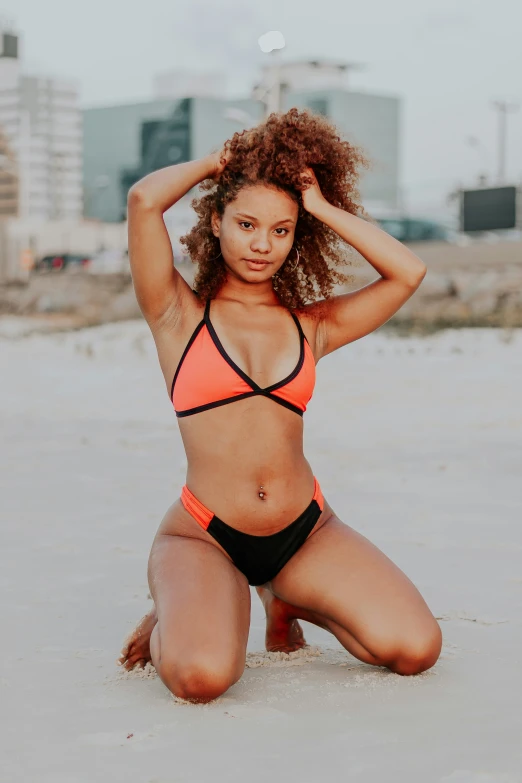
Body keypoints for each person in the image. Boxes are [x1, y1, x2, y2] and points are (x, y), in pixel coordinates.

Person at [118, 108, 442, 702]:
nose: (262, 244)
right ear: (215, 222)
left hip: (306, 530)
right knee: (202, 679)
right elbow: (143, 201)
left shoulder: (309, 327)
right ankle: (174, 613)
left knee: (416, 650)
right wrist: (220, 163)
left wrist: (319, 206)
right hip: (206, 536)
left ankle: (285, 594)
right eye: (246, 223)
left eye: (281, 229)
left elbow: (408, 272)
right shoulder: (176, 314)